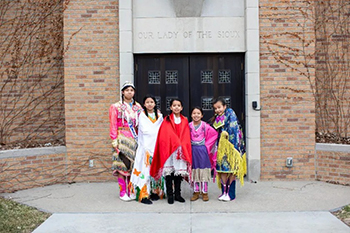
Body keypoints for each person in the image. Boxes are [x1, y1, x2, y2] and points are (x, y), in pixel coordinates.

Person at [150, 98, 192, 204]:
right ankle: (170, 195)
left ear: (182, 107)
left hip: (180, 151)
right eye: (174, 105)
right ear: (171, 107)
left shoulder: (184, 120)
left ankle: (178, 194)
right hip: (169, 150)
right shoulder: (167, 120)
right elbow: (164, 136)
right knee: (169, 173)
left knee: (178, 173)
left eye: (178, 105)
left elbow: (186, 136)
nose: (176, 107)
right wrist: (173, 142)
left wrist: (181, 144)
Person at [109, 81, 143, 201]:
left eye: (132, 90)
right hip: (121, 138)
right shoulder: (116, 107)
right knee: (122, 164)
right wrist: (114, 139)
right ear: (123, 92)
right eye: (127, 90)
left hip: (134, 139)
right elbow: (113, 124)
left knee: (132, 166)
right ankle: (122, 191)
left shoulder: (138, 107)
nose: (130, 92)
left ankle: (131, 190)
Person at [130, 95, 165, 205]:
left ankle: (155, 191)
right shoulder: (141, 115)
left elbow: (161, 130)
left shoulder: (159, 116)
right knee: (144, 171)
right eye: (147, 102)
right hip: (145, 148)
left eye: (152, 102)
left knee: (156, 170)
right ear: (144, 104)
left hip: (157, 147)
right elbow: (145, 130)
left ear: (155, 104)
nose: (150, 104)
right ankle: (144, 194)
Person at [211, 98, 246, 202]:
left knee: (231, 170)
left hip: (232, 147)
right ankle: (224, 192)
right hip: (221, 148)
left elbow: (233, 129)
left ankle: (231, 194)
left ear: (224, 106)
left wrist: (227, 138)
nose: (217, 110)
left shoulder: (230, 114)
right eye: (215, 108)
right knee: (222, 170)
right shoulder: (218, 118)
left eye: (219, 107)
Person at [189, 107, 218, 202]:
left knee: (203, 170)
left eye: (198, 113)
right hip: (193, 150)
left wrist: (207, 146)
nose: (196, 115)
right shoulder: (189, 126)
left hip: (202, 150)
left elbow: (214, 134)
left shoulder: (204, 126)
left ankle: (204, 192)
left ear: (201, 115)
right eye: (194, 113)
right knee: (195, 170)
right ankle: (196, 191)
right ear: (191, 115)